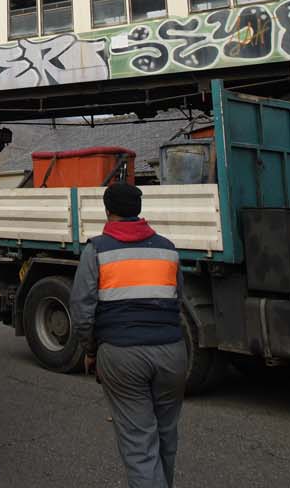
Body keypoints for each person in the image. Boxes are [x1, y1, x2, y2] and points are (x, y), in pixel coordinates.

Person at [70, 183, 186, 488]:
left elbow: (82, 310)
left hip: (122, 354)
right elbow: (178, 300)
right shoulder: (168, 249)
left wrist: (91, 350)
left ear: (108, 212)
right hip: (172, 352)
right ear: (138, 209)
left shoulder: (97, 250)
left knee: (139, 446)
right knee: (166, 437)